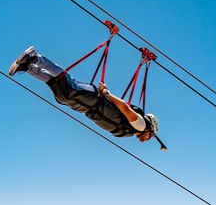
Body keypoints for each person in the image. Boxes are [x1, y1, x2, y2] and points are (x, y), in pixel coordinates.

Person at [8, 46, 159, 143]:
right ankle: (36, 58)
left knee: (62, 95)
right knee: (70, 88)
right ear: (149, 128)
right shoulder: (140, 125)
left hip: (89, 108)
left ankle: (28, 67)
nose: (147, 141)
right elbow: (125, 109)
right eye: (150, 137)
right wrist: (107, 93)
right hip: (96, 100)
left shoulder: (130, 132)